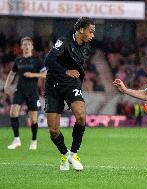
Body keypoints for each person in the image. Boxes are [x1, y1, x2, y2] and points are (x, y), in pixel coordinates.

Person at [44, 17, 95, 171]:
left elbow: (77, 67)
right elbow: (48, 61)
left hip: (71, 84)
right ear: (81, 30)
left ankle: (74, 153)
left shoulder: (86, 48)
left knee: (81, 116)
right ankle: (65, 155)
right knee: (53, 130)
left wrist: (79, 78)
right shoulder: (64, 41)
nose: (93, 35)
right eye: (90, 31)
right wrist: (65, 71)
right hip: (54, 86)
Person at [4, 37, 47, 150]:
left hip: (32, 92)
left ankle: (34, 140)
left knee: (33, 119)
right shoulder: (18, 60)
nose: (27, 46)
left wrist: (33, 75)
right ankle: (16, 140)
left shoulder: (37, 60)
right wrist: (7, 86)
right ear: (21, 47)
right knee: (13, 112)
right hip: (20, 90)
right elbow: (12, 74)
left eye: (28, 44)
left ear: (32, 46)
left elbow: (45, 74)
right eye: (24, 44)